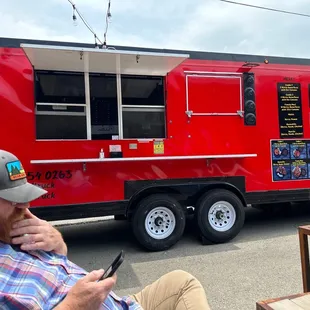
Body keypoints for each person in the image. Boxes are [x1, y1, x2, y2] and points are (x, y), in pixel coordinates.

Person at [0, 149, 211, 310]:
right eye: (15, 200)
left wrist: (58, 245)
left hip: (121, 304)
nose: (25, 207)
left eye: (26, 198)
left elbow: (53, 269)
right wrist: (74, 305)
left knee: (181, 281)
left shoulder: (13, 233)